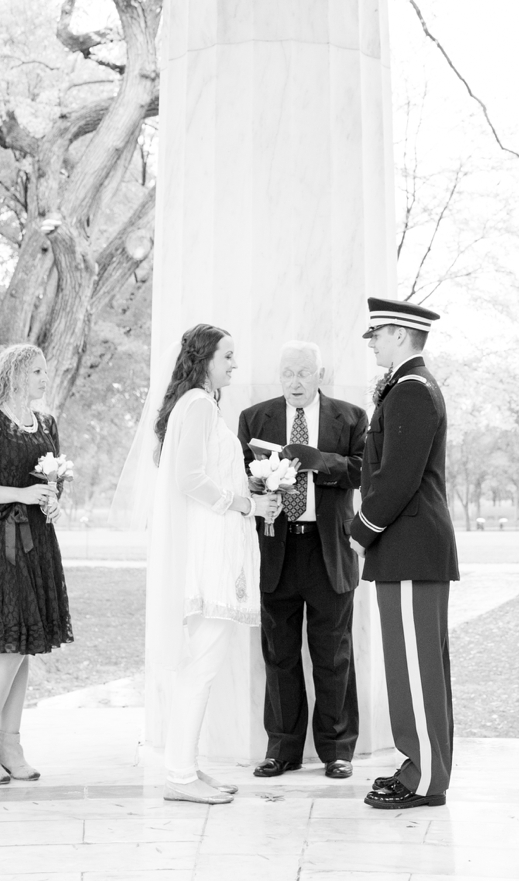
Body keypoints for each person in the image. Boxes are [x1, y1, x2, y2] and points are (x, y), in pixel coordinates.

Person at [146, 324, 269, 804]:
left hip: (214, 542)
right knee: (201, 666)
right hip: (207, 549)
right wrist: (242, 504)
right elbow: (188, 478)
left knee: (202, 665)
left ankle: (187, 767)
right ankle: (179, 777)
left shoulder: (202, 405)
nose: (235, 364)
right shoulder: (197, 404)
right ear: (205, 359)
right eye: (229, 356)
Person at [236, 340, 367, 780]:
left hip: (328, 550)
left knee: (333, 655)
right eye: (288, 372)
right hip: (277, 549)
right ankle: (283, 749)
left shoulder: (350, 418)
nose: (295, 381)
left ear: (320, 375)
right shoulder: (255, 418)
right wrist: (259, 491)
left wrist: (320, 462)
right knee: (279, 655)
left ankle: (337, 750)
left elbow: (364, 471)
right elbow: (239, 479)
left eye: (304, 373)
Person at [349, 297, 456, 809]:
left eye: (376, 334)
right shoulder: (407, 387)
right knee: (412, 666)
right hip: (408, 547)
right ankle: (420, 765)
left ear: (398, 334)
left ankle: (427, 777)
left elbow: (397, 478)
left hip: (409, 545)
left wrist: (361, 530)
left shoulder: (411, 390)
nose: (371, 343)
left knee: (414, 668)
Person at [0, 342, 74, 785]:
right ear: (17, 374)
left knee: (24, 652)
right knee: (5, 650)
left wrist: (53, 502)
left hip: (37, 540)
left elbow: (51, 481)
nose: (45, 378)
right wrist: (21, 495)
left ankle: (11, 745)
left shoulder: (47, 423)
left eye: (45, 371)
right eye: (38, 372)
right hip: (1, 541)